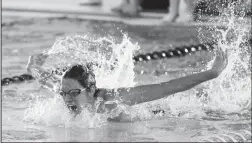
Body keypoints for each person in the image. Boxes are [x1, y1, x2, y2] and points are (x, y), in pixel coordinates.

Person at [26, 46, 227, 121]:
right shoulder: (65, 92)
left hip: (167, 113)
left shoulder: (113, 101)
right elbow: (45, 79)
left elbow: (166, 88)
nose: (66, 98)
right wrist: (33, 65)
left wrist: (212, 73)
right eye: (64, 93)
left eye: (73, 93)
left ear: (91, 89)